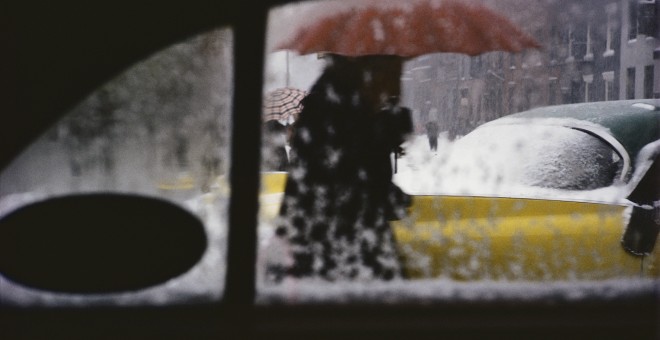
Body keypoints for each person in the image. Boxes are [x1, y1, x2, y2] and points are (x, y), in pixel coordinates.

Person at [274, 54, 412, 281]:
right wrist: (382, 136)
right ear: (370, 71)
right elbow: (353, 193)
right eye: (393, 75)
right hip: (331, 260)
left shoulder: (341, 107)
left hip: (328, 254)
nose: (396, 86)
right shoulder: (338, 116)